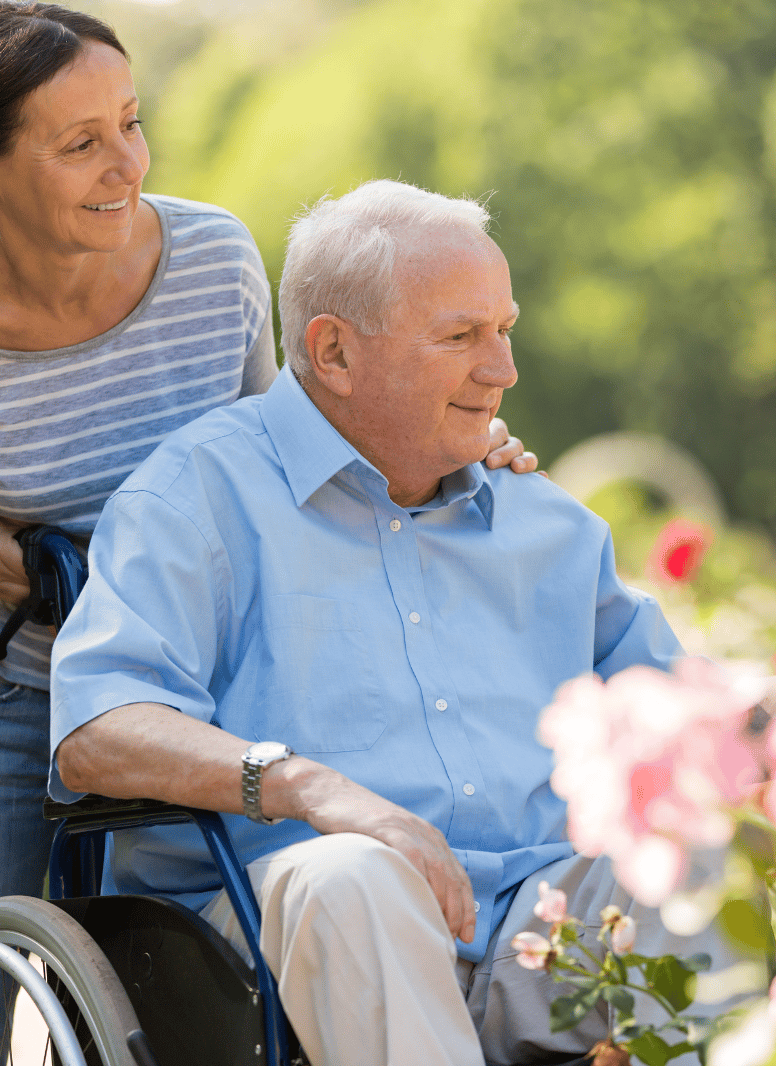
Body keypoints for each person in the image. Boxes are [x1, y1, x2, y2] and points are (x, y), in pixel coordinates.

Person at [0, 0, 537, 1053]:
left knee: (226, 983)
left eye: (131, 122)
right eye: (79, 144)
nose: (127, 165)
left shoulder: (213, 260)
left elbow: (277, 448)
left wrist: (453, 432)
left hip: (185, 684)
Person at [50, 180, 733, 1066]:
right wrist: (314, 790)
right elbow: (96, 730)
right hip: (279, 939)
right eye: (460, 337)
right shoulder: (197, 499)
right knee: (355, 872)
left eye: (504, 330)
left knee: (728, 864)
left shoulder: (548, 525)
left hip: (538, 926)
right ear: (333, 352)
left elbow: (687, 712)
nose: (503, 369)